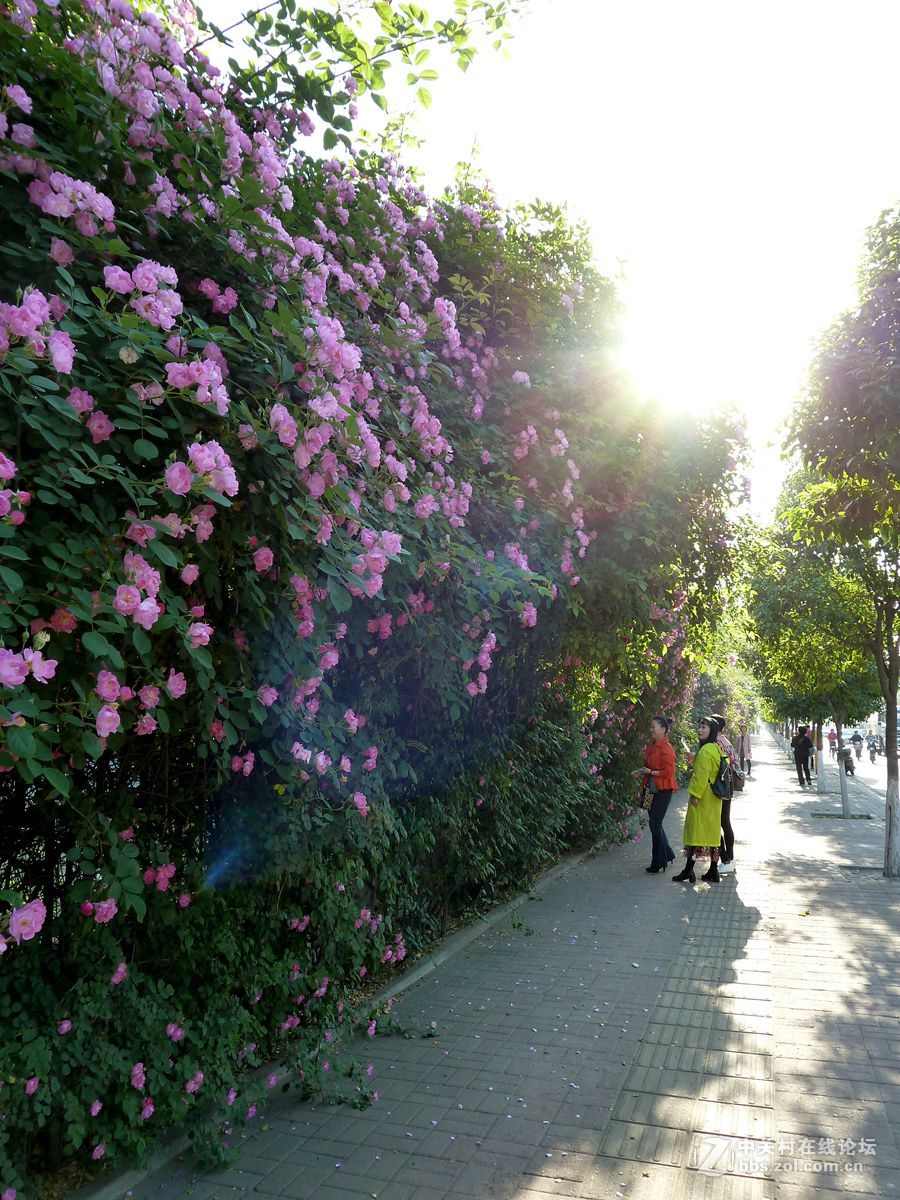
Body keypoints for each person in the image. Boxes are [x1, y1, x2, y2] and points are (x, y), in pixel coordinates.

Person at [674, 717, 723, 884]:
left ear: (712, 731)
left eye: (704, 727)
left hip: (702, 798)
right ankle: (713, 870)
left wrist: (695, 794)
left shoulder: (705, 750)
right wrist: (694, 760)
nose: (700, 730)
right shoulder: (715, 748)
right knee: (712, 834)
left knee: (695, 834)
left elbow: (701, 776)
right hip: (714, 798)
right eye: (699, 726)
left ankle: (688, 871)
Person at [631, 716, 678, 874]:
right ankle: (667, 855)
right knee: (654, 822)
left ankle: (658, 861)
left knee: (655, 823)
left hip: (663, 790)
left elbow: (669, 772)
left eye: (654, 727)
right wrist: (641, 771)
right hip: (650, 788)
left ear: (663, 730)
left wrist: (651, 772)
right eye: (651, 727)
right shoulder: (651, 747)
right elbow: (648, 766)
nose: (651, 729)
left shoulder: (667, 748)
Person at [710, 713, 737, 874]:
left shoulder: (716, 742)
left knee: (718, 822)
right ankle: (730, 859)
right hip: (727, 784)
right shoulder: (725, 741)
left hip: (720, 786)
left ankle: (726, 859)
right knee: (724, 822)